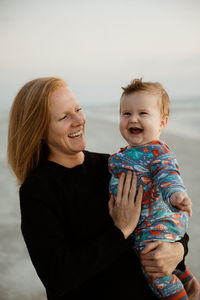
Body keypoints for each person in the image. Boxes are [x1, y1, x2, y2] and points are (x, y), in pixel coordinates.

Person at [7, 77, 195, 300]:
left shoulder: (112, 165)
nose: (79, 120)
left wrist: (178, 251)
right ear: (38, 129)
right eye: (64, 116)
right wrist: (121, 230)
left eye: (78, 109)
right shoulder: (38, 190)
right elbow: (58, 278)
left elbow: (161, 218)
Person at [109, 78, 200, 299]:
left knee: (152, 269)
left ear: (162, 123)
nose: (133, 119)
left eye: (143, 113)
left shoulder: (157, 152)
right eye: (126, 113)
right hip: (147, 224)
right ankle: (185, 277)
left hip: (160, 221)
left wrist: (176, 195)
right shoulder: (124, 155)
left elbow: (168, 174)